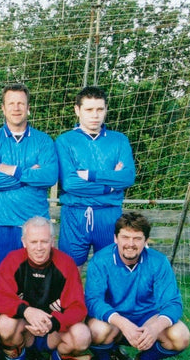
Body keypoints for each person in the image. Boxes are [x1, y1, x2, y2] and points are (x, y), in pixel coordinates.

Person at [82, 212, 190, 360]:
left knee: (181, 336)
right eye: (125, 237)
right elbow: (93, 300)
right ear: (116, 238)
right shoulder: (100, 260)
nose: (130, 244)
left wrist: (155, 328)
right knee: (95, 330)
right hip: (114, 321)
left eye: (137, 238)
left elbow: (173, 303)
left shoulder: (158, 261)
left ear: (146, 241)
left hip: (146, 319)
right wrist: (123, 323)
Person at [0, 216, 91, 360]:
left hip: (54, 332)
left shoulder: (66, 263)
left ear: (52, 241)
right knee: (4, 323)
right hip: (25, 330)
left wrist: (53, 322)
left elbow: (78, 308)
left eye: (44, 241)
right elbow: (0, 298)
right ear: (24, 242)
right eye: (33, 242)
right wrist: (27, 311)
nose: (39, 248)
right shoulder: (12, 260)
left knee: (82, 335)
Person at [0, 83, 58, 266]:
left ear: (28, 108)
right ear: (3, 108)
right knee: (3, 284)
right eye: (11, 103)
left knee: (35, 287)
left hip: (35, 226)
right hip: (1, 224)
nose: (16, 108)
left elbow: (49, 177)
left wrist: (14, 171)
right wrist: (30, 176)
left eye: (21, 104)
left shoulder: (44, 141)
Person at [56, 86, 135, 266]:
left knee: (110, 267)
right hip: (75, 214)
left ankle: (102, 296)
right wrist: (110, 184)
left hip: (109, 214)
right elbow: (70, 183)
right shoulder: (65, 141)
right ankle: (73, 296)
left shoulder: (119, 140)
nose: (95, 115)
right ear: (77, 110)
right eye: (89, 110)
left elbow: (128, 177)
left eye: (100, 109)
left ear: (106, 109)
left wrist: (90, 175)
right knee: (69, 268)